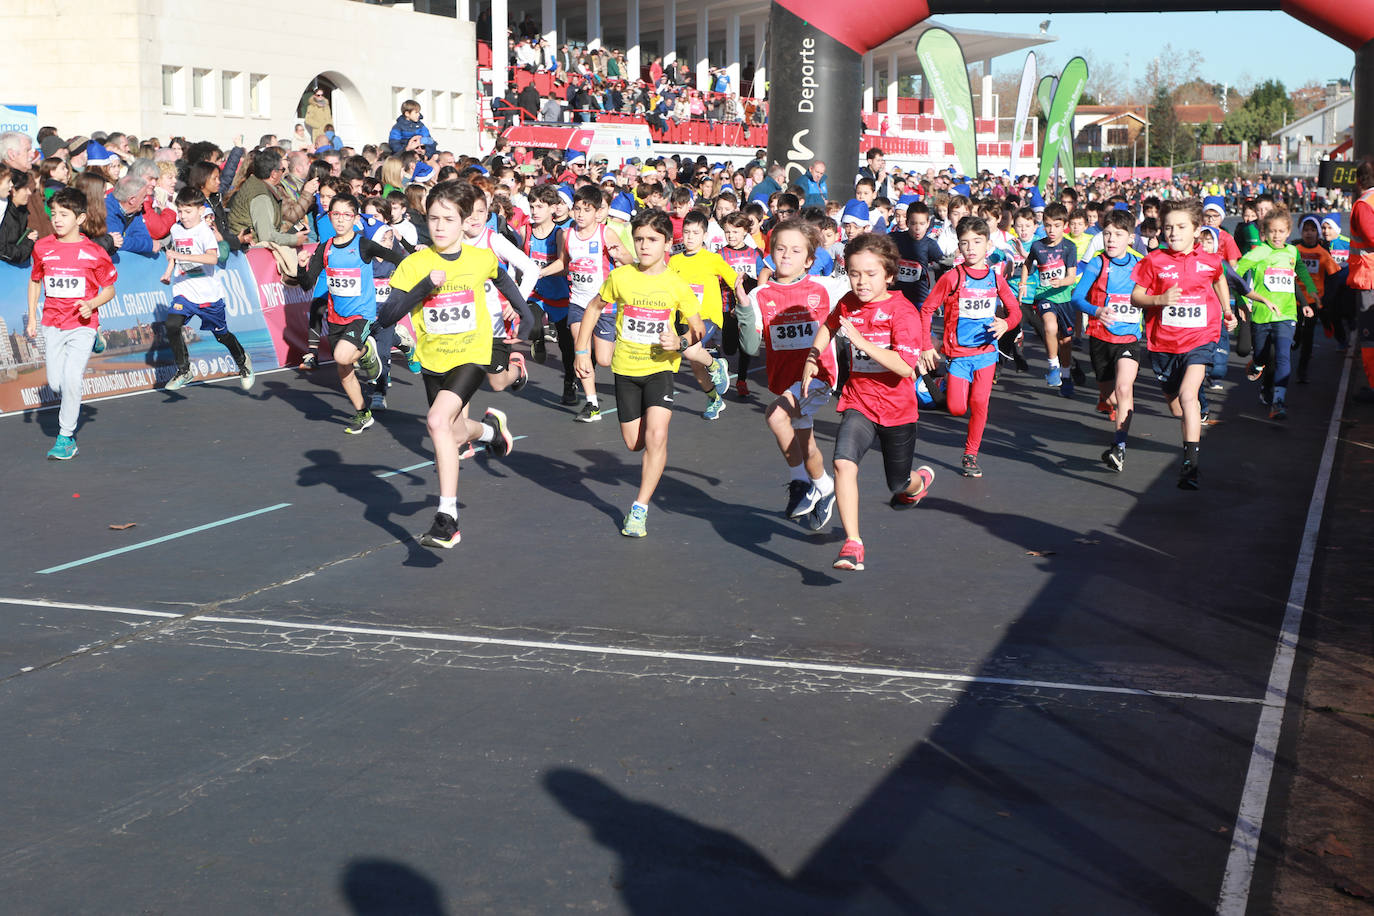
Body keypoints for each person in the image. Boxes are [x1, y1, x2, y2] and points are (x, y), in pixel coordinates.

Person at [373, 181, 528, 549]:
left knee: (436, 422)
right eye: (433, 219)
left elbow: (505, 281)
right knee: (454, 433)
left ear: (464, 222)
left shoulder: (479, 258)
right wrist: (423, 287)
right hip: (433, 359)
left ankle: (447, 518)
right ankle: (490, 431)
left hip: (473, 352)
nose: (440, 226)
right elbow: (387, 316)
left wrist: (527, 317)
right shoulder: (415, 264)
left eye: (448, 219)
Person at [801, 233, 938, 571]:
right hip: (859, 401)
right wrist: (813, 356)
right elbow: (829, 325)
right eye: (854, 273)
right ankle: (853, 544)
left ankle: (918, 483)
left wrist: (862, 342)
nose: (861, 281)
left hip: (897, 410)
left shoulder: (902, 311)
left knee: (898, 483)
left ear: (889, 275)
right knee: (842, 464)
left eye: (870, 274)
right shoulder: (848, 302)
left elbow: (904, 366)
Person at [573, 209, 705, 538]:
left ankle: (639, 508)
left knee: (656, 436)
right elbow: (594, 307)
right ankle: (646, 454)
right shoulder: (621, 277)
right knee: (635, 444)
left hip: (660, 369)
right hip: (626, 370)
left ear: (667, 244)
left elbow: (698, 328)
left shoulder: (676, 284)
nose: (644, 246)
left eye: (653, 240)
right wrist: (581, 350)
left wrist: (680, 341)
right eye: (639, 239)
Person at [734, 219, 839, 529]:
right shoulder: (760, 295)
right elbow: (749, 346)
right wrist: (743, 307)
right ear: (770, 255)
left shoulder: (826, 287)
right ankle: (825, 487)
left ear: (809, 260)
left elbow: (865, 291)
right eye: (780, 249)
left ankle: (800, 483)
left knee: (775, 416)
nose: (786, 255)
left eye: (795, 250)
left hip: (818, 376)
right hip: (786, 380)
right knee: (808, 447)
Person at [1130, 199, 1237, 489]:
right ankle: (1190, 420)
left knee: (1189, 395)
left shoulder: (1210, 260)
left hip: (1200, 338)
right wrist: (1159, 299)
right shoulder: (1154, 261)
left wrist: (1227, 309)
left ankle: (1190, 464)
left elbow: (1219, 279)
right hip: (1163, 343)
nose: (1173, 233)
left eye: (1180, 227)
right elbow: (1135, 297)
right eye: (1168, 227)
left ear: (1196, 229)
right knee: (1178, 408)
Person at [919, 216, 1021, 479]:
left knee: (979, 403)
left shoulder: (995, 279)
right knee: (956, 408)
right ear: (959, 247)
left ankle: (970, 454)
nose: (971, 248)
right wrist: (926, 344)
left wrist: (1005, 324)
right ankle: (942, 383)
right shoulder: (952, 277)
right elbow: (927, 309)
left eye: (977, 242)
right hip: (958, 356)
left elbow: (1015, 312)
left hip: (986, 354)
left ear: (988, 245)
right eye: (964, 243)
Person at [296, 193, 407, 433]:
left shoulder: (363, 245)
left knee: (342, 356)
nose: (340, 219)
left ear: (355, 219)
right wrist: (301, 266)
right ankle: (363, 413)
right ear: (330, 216)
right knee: (344, 370)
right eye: (336, 214)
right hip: (336, 317)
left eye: (346, 215)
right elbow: (306, 284)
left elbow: (398, 258)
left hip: (362, 314)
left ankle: (367, 352)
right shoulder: (325, 248)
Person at [25, 188, 118, 460]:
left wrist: (92, 304)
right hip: (52, 322)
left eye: (64, 214)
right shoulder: (42, 248)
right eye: (54, 213)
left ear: (80, 218)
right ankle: (98, 338)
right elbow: (35, 281)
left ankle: (65, 438)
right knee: (56, 383)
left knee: (72, 379)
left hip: (82, 323)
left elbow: (110, 289)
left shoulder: (94, 252)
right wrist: (32, 315)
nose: (57, 219)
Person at [158, 187, 256, 393]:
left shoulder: (205, 232)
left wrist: (182, 257)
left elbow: (212, 258)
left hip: (208, 295)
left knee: (221, 336)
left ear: (200, 211)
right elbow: (175, 252)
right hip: (184, 290)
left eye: (188, 212)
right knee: (172, 325)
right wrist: (168, 272)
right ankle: (184, 370)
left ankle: (242, 362)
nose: (183, 216)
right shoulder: (176, 229)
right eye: (180, 211)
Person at [1071, 210, 1143, 472]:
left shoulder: (1141, 264)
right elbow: (1077, 298)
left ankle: (1119, 447)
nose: (1111, 239)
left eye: (1118, 235)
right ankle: (1106, 401)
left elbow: (1154, 295)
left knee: (1124, 390)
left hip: (1129, 338)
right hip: (1101, 339)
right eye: (1107, 234)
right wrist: (1096, 311)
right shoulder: (1097, 264)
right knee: (1111, 396)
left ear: (1130, 238)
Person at [1235, 207, 1317, 421]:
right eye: (1272, 231)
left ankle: (1278, 401)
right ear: (1264, 232)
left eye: (1281, 231)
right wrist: (1243, 300)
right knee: (1262, 354)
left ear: (1288, 232)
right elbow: (1235, 275)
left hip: (1286, 314)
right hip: (1261, 315)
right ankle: (1256, 363)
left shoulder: (1292, 252)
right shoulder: (1259, 252)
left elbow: (1300, 271)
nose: (1277, 236)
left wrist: (1308, 297)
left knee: (1282, 355)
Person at [562, 184, 630, 421]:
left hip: (603, 304)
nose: (580, 214)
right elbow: (563, 263)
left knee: (603, 359)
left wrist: (619, 255)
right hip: (578, 303)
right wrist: (539, 272)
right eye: (577, 209)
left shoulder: (606, 234)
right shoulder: (567, 235)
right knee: (581, 350)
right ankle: (592, 404)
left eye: (586, 209)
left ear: (597, 212)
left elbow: (628, 259)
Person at [667, 209, 736, 419]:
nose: (690, 237)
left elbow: (734, 280)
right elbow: (669, 292)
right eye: (687, 232)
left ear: (705, 235)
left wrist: (742, 303)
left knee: (690, 351)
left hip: (708, 316)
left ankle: (716, 365)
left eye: (695, 233)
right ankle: (715, 400)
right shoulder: (674, 261)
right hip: (684, 319)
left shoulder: (712, 259)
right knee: (696, 365)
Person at [1022, 202, 1079, 394]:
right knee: (1050, 326)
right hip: (1044, 296)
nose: (1052, 230)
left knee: (1065, 342)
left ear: (1065, 225)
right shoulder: (1038, 246)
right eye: (1048, 225)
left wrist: (1061, 282)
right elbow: (1027, 264)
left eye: (1056, 225)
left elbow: (1071, 277)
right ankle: (1053, 366)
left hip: (1064, 298)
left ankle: (1066, 375)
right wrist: (1023, 284)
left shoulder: (1069, 247)